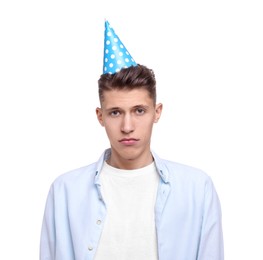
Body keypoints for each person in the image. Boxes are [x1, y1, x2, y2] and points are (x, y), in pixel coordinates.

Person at [40, 20, 224, 260]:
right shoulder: (65, 191)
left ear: (157, 112)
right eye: (115, 112)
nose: (127, 127)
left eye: (139, 110)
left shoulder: (197, 189)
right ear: (100, 116)